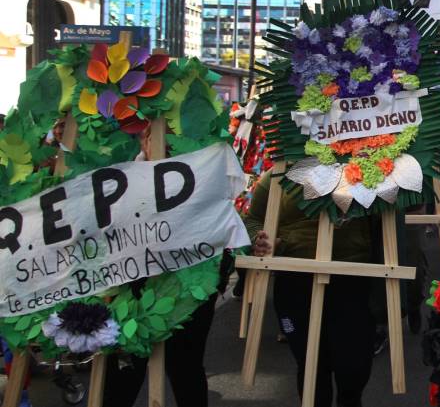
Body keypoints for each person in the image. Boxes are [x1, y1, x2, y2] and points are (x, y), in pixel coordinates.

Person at [104, 127, 225, 407]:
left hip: (189, 288)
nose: (161, 139)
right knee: (124, 371)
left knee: (186, 369)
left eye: (169, 131)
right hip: (132, 290)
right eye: (151, 133)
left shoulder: (201, 175)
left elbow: (222, 224)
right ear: (140, 138)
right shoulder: (118, 180)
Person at [249, 173, 378, 407]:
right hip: (296, 281)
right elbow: (253, 220)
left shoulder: (365, 166)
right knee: (311, 365)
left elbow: (401, 209)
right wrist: (260, 240)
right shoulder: (277, 175)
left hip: (352, 280)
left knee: (353, 367)